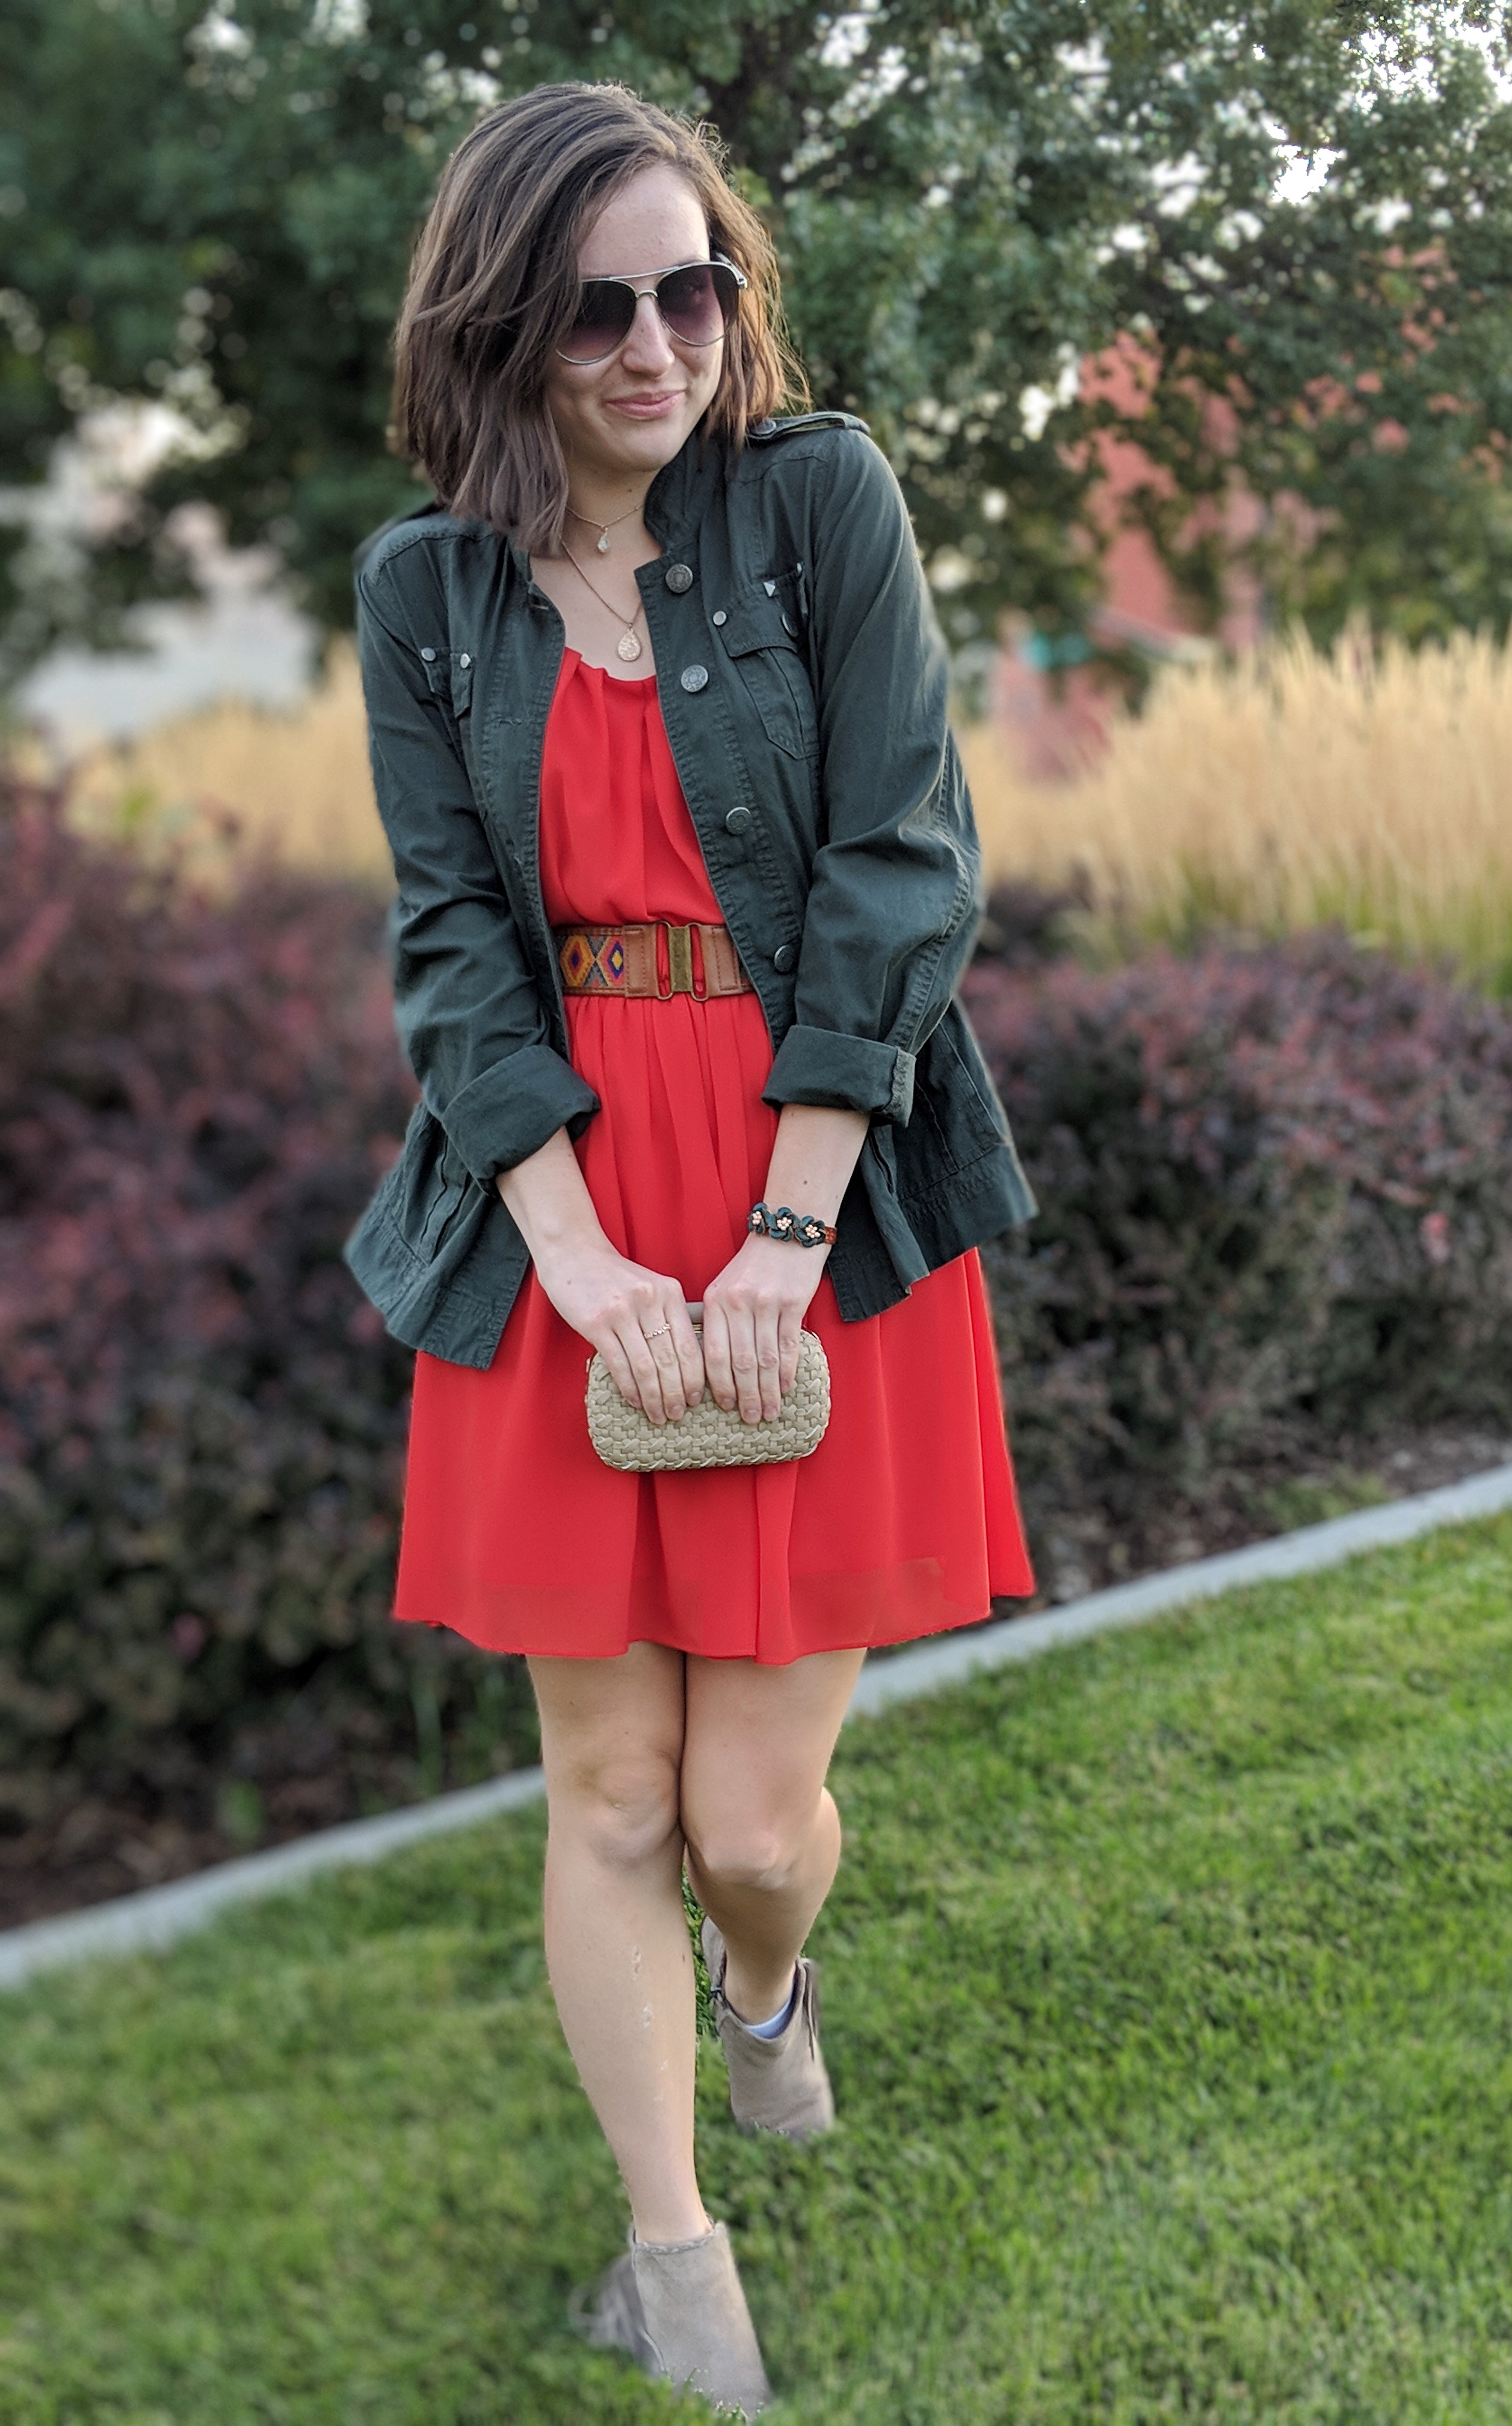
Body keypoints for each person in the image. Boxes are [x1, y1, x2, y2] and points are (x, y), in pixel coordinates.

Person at [345, 79, 1037, 2415]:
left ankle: (767, 1984)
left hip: (808, 1192)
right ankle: (675, 2262)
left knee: (748, 1821)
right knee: (609, 1791)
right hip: (562, 1213)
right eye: (602, 305)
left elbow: (903, 867)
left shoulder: (816, 504)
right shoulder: (426, 596)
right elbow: (451, 951)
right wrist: (569, 1250)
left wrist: (770, 1232)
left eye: (694, 288)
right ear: (513, 328)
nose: (660, 342)